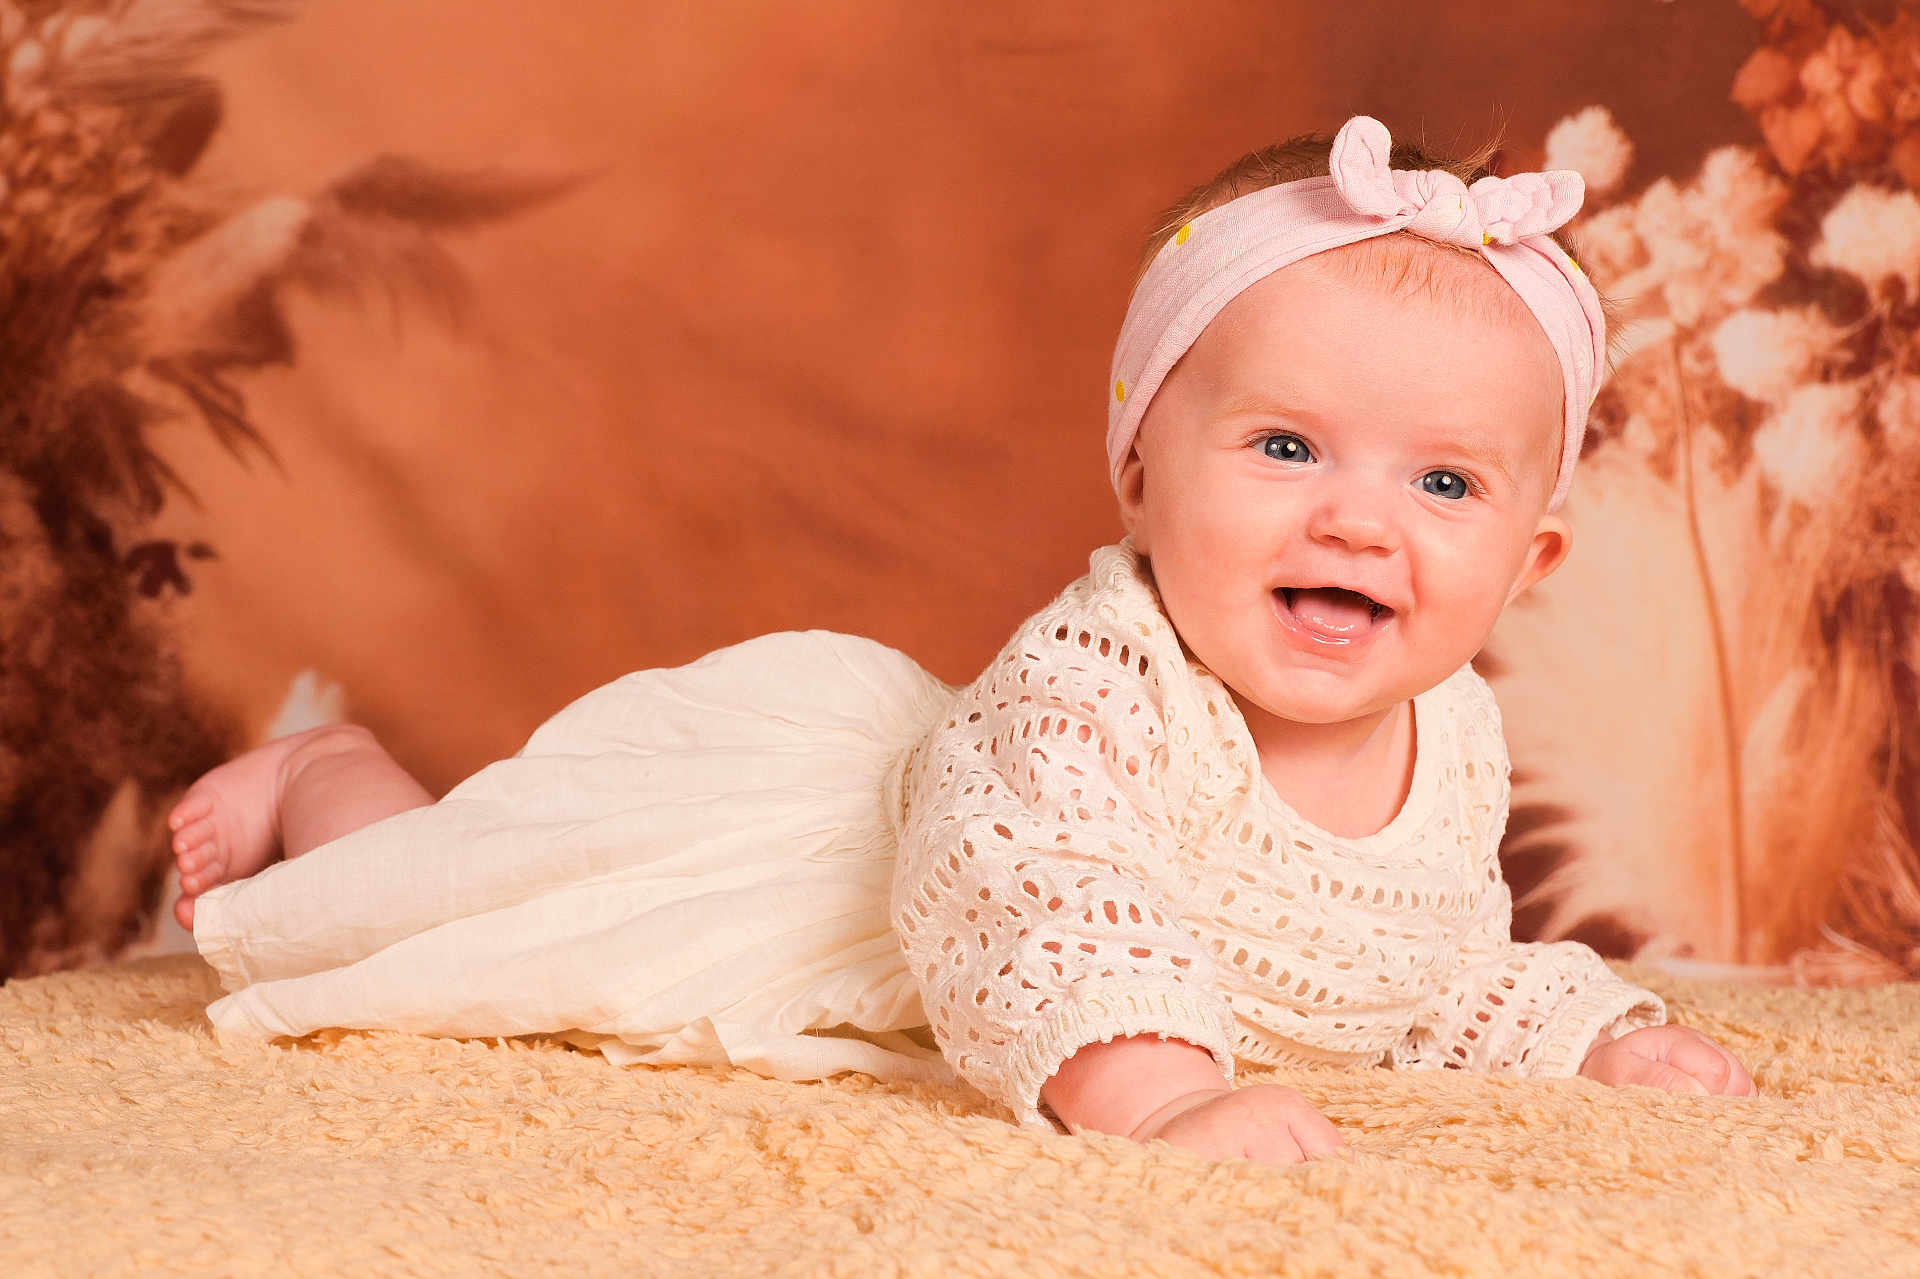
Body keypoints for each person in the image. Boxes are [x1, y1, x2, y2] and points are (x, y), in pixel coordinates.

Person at [168, 116, 1756, 1169]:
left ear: (1526, 557)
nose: (1356, 521)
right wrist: (1161, 1094)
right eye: (1285, 449)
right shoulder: (1099, 680)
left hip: (1017, 956)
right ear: (1140, 468)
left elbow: (1414, 971)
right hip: (827, 882)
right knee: (443, 918)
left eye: (1443, 481)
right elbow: (1038, 896)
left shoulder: (1455, 739)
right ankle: (332, 773)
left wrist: (1592, 1040)